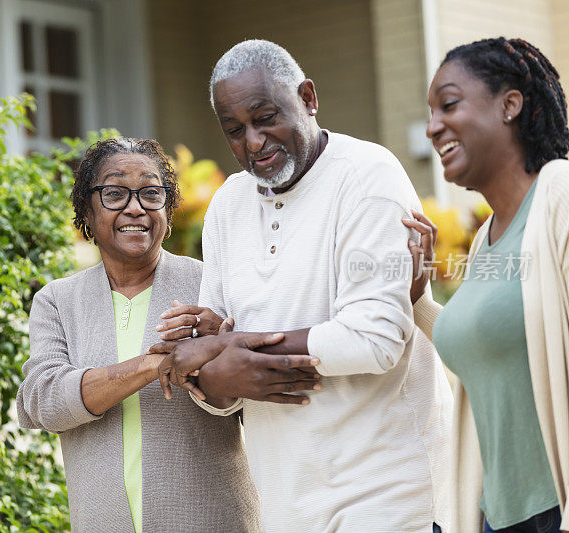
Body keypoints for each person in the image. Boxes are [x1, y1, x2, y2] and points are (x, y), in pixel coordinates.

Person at [150, 40, 453, 532]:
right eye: (234, 130)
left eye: (265, 117)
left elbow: (375, 338)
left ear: (308, 98)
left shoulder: (367, 177)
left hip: (388, 496)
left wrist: (235, 346)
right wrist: (211, 376)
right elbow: (222, 376)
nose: (253, 142)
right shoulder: (227, 205)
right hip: (287, 502)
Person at [16, 138, 315, 532]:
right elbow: (43, 402)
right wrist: (152, 365)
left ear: (168, 211)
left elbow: (242, 403)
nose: (135, 207)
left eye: (151, 193)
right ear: (87, 212)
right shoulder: (58, 301)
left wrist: (221, 342)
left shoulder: (210, 283)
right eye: (115, 193)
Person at [404, 37, 569, 533]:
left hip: (554, 508)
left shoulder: (559, 194)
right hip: (499, 515)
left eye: (449, 105)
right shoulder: (484, 241)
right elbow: (488, 351)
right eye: (430, 113)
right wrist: (418, 299)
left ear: (510, 105)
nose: (433, 127)